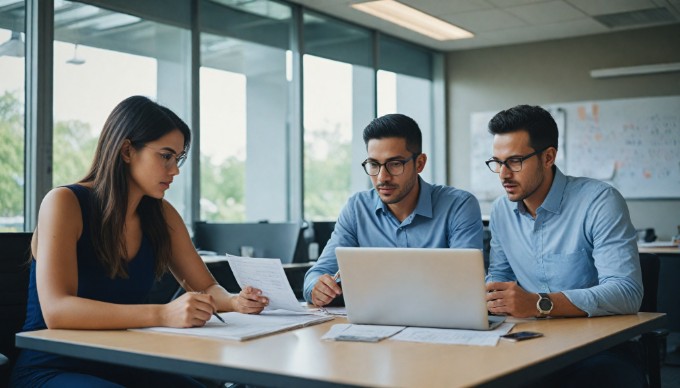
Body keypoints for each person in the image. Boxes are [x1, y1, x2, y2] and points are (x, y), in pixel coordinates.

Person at [11, 96, 269, 387]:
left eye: (178, 158)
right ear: (126, 151)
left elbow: (206, 286)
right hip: (52, 367)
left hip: (127, 361)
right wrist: (163, 313)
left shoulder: (161, 214)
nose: (175, 170)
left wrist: (235, 301)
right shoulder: (64, 203)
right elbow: (58, 311)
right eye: (166, 156)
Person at [483, 104, 645, 387]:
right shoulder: (500, 211)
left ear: (548, 157)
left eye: (515, 161)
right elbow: (499, 278)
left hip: (598, 345)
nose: (503, 174)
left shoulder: (599, 201)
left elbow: (626, 293)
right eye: (497, 162)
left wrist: (538, 302)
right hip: (528, 341)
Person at [304, 113, 484, 306]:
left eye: (395, 164)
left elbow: (467, 285)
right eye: (374, 164)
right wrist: (318, 288)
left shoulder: (459, 206)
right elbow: (316, 275)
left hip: (440, 325)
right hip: (374, 323)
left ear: (420, 163)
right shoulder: (357, 208)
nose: (382, 177)